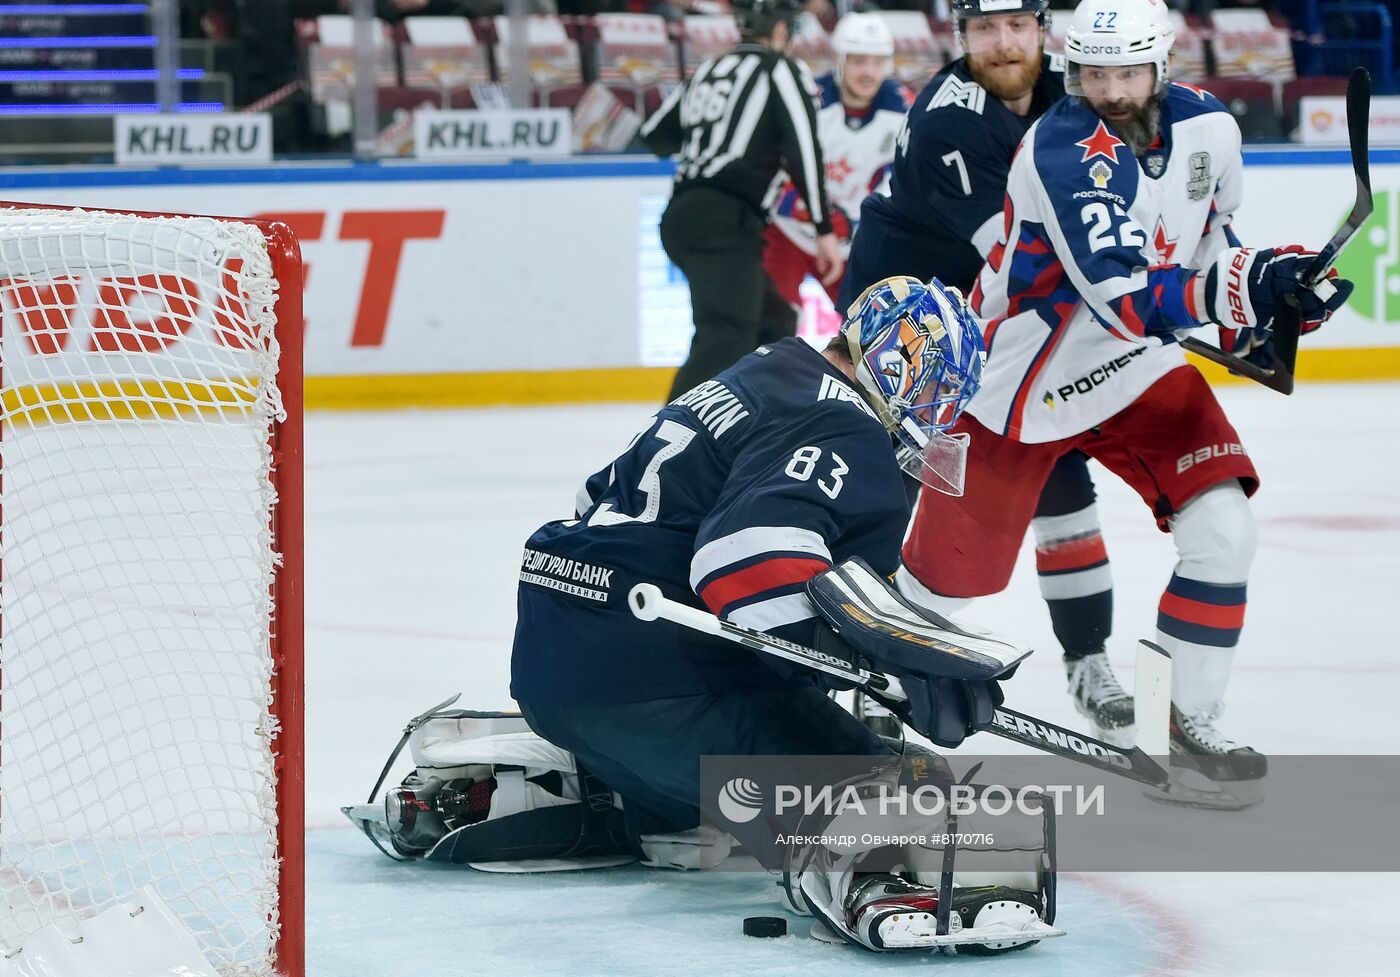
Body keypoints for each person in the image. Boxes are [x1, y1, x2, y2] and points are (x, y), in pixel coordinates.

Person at [895, 0, 1352, 803]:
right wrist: (1250, 285)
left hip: (1135, 367)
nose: (1110, 90)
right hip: (1017, 383)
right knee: (939, 585)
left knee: (1223, 530)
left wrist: (1281, 289)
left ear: (1162, 66)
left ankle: (1171, 722)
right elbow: (1125, 296)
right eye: (1094, 73)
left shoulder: (1210, 129)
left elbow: (1213, 242)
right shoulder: (1063, 150)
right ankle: (872, 721)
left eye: (1128, 73)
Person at [509, 277, 990, 849]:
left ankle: (630, 797)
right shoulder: (845, 420)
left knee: (699, 798)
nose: (938, 409)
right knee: (912, 799)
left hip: (552, 666)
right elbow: (745, 560)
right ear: (897, 356)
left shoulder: (768, 369)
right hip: (661, 684)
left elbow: (595, 500)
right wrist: (890, 663)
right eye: (937, 385)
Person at [840, 0, 1135, 745]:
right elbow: (1029, 254)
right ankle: (859, 664)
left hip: (992, 323)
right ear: (961, 36)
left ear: (1043, 29)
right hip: (904, 329)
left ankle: (1089, 659)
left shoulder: (1074, 88)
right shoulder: (951, 120)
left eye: (1017, 26)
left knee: (1059, 465)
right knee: (882, 487)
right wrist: (1146, 296)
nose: (1004, 43)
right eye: (985, 29)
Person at [640, 0, 845, 400]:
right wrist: (823, 228)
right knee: (727, 335)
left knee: (774, 323)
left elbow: (655, 136)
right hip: (725, 219)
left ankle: (749, 427)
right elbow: (803, 147)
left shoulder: (710, 71)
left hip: (685, 215)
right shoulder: (780, 69)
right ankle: (663, 445)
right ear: (782, 31)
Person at [761, 13, 911, 328]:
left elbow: (904, 179)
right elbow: (772, 165)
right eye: (858, 61)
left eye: (877, 61)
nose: (868, 72)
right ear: (838, 59)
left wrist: (858, 221)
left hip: (851, 240)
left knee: (868, 330)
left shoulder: (904, 111)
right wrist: (808, 212)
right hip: (789, 233)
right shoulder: (807, 101)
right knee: (773, 324)